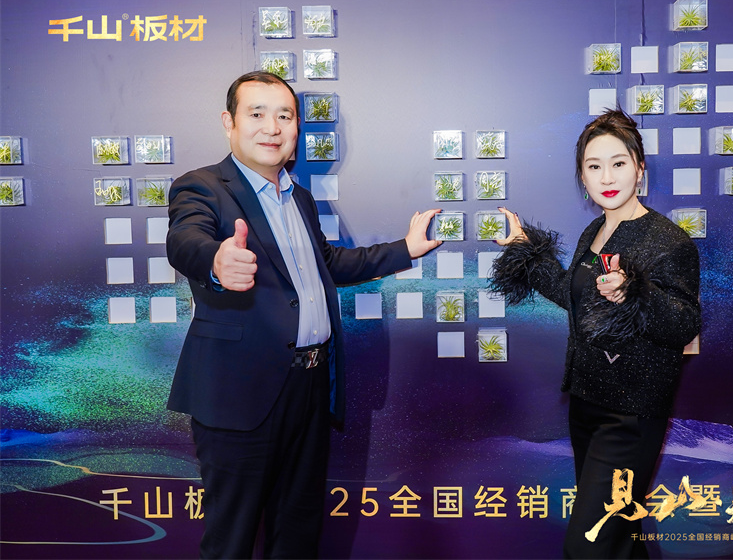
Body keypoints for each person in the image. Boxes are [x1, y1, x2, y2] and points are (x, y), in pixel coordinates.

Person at [165, 71, 440, 559]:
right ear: (229, 123)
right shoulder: (201, 186)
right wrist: (215, 261)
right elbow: (186, 240)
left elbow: (327, 265)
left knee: (297, 535)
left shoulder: (300, 198)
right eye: (257, 114)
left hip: (310, 387)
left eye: (285, 116)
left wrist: (405, 250)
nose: (272, 127)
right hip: (240, 393)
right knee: (231, 541)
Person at [491, 108, 701, 559]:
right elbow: (576, 298)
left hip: (631, 415)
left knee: (589, 545)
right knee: (617, 540)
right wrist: (527, 252)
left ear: (639, 168)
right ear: (582, 177)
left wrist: (635, 293)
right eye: (594, 166)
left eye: (618, 163)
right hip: (587, 403)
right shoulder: (596, 230)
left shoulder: (670, 241)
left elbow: (684, 324)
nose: (607, 177)